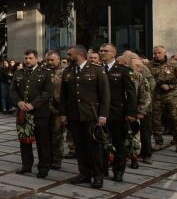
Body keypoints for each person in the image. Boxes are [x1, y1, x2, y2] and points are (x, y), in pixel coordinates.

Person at [59, 44, 110, 188]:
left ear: (79, 54)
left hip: (91, 116)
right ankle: (84, 174)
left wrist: (103, 115)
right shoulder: (68, 71)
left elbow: (105, 95)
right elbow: (64, 95)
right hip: (74, 116)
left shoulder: (97, 70)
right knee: (80, 147)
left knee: (94, 148)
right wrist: (63, 113)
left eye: (70, 54)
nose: (67, 57)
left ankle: (98, 176)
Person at [10, 49, 53, 178]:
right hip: (23, 113)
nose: (28, 60)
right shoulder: (18, 73)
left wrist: (33, 104)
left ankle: (43, 167)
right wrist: (18, 102)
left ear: (36, 59)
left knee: (42, 142)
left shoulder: (45, 73)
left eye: (30, 58)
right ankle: (26, 165)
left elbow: (47, 93)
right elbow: (12, 90)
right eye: (26, 58)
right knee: (24, 141)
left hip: (40, 113)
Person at [98, 43, 138, 182]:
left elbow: (131, 93)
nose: (102, 53)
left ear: (113, 53)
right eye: (101, 51)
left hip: (117, 112)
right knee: (101, 143)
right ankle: (102, 170)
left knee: (118, 143)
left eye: (106, 51)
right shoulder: (97, 69)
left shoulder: (123, 70)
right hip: (99, 112)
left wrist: (131, 113)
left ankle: (118, 171)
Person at [149, 45, 177, 152]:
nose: (156, 55)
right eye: (155, 53)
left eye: (159, 53)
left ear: (165, 53)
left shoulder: (173, 64)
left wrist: (171, 86)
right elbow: (148, 79)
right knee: (156, 120)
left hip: (170, 95)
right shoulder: (150, 65)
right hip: (156, 96)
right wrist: (158, 85)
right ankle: (158, 142)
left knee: (174, 118)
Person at [44, 50, 66, 174]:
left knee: (57, 136)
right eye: (48, 60)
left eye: (52, 60)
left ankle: (57, 159)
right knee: (45, 135)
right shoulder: (43, 71)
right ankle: (47, 158)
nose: (50, 62)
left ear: (59, 60)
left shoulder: (65, 72)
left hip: (58, 109)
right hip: (44, 109)